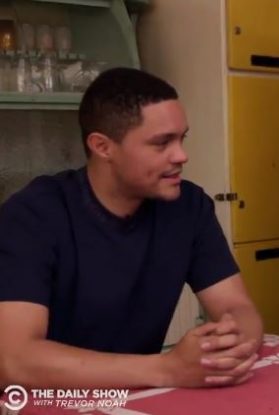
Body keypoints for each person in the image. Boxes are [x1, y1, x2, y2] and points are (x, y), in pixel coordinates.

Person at [0, 67, 263, 388]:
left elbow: (236, 306)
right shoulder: (32, 215)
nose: (182, 155)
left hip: (137, 396)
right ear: (102, 146)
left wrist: (232, 343)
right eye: (162, 143)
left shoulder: (189, 207)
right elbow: (15, 360)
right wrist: (168, 369)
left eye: (182, 138)